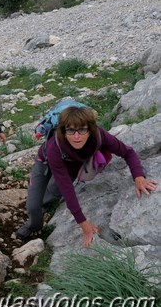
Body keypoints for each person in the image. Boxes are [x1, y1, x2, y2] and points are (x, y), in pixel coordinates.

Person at [16, 106, 158, 247]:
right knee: (32, 206)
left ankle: (45, 206)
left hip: (71, 167)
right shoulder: (55, 146)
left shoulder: (99, 136)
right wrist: (83, 224)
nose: (77, 136)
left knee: (53, 192)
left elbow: (128, 152)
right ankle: (34, 225)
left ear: (90, 130)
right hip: (44, 163)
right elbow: (66, 186)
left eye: (82, 129)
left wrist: (138, 177)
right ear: (64, 132)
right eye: (71, 130)